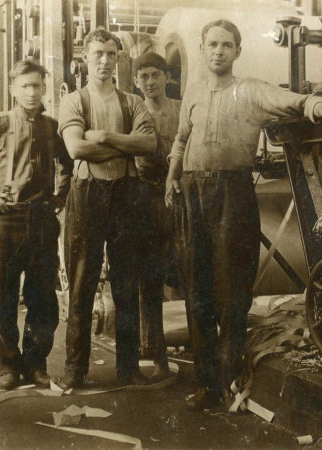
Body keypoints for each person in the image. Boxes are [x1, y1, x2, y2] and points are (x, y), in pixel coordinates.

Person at [165, 19, 322, 411]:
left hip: (233, 194)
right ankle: (206, 387)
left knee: (232, 291)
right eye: (212, 43)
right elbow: (181, 140)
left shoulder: (250, 91)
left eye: (227, 45)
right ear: (202, 49)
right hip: (191, 194)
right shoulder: (195, 91)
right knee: (196, 290)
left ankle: (229, 375)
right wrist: (171, 177)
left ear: (237, 52)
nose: (218, 50)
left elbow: (296, 101)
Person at [0, 59, 73, 390]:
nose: (32, 92)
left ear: (44, 88)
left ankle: (35, 364)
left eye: (37, 85)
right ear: (13, 90)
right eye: (25, 86)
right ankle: (7, 364)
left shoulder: (52, 128)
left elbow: (67, 164)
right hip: (4, 220)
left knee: (42, 299)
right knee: (2, 298)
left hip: (40, 220)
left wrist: (59, 197)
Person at [57, 29, 156, 389]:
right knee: (82, 281)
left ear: (118, 59)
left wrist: (108, 138)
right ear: (85, 57)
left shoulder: (131, 102)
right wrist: (124, 148)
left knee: (126, 282)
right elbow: (76, 150)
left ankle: (128, 369)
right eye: (98, 53)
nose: (104, 60)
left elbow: (149, 143)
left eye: (111, 54)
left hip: (126, 194)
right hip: (87, 193)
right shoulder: (74, 101)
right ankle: (74, 369)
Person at [132, 52, 181, 379]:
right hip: (144, 198)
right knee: (149, 279)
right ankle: (155, 353)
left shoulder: (180, 109)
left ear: (166, 77)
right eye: (143, 77)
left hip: (179, 195)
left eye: (155, 75)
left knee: (186, 271)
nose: (150, 82)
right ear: (136, 82)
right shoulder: (134, 112)